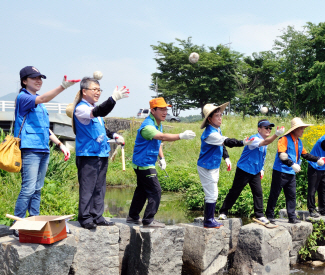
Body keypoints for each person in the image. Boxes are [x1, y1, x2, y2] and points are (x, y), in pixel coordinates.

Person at [13, 66, 77, 234]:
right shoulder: (24, 98)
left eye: (40, 77)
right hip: (30, 149)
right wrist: (63, 86)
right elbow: (43, 99)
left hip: (43, 149)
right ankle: (17, 223)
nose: (38, 80)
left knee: (37, 188)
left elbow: (45, 129)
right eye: (34, 78)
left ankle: (34, 220)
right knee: (28, 188)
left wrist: (60, 144)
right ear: (24, 81)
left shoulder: (39, 105)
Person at [127, 98, 196, 228]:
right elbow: (162, 137)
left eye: (166, 109)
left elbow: (157, 141)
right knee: (155, 190)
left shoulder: (157, 123)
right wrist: (181, 136)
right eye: (162, 109)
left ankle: (133, 216)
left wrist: (162, 158)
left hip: (144, 162)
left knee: (142, 190)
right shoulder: (147, 126)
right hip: (143, 163)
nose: (165, 112)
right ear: (153, 110)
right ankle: (148, 220)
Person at [73, 77, 129, 229]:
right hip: (88, 154)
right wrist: (113, 99)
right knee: (87, 188)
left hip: (101, 153)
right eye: (94, 89)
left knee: (100, 187)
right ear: (84, 91)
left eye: (99, 90)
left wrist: (114, 135)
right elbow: (98, 111)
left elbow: (103, 129)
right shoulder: (81, 108)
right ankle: (85, 217)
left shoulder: (93, 108)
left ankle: (97, 216)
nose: (98, 92)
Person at [218, 119, 284, 224]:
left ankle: (259, 215)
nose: (268, 130)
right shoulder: (255, 138)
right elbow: (265, 142)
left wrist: (261, 169)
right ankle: (223, 212)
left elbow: (262, 156)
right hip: (244, 169)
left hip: (255, 171)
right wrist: (276, 135)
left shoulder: (264, 140)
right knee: (235, 191)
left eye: (270, 128)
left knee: (258, 193)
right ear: (259, 129)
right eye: (266, 128)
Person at [265, 117, 323, 224]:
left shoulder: (299, 142)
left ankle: (292, 217)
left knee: (291, 195)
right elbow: (282, 155)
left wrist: (317, 159)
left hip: (291, 173)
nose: (303, 130)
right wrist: (292, 164)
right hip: (280, 171)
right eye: (301, 128)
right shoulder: (284, 139)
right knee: (275, 194)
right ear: (295, 129)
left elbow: (305, 154)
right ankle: (269, 215)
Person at [197, 102, 245, 229]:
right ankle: (208, 220)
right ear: (209, 119)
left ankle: (210, 218)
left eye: (221, 115)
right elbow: (227, 141)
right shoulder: (210, 133)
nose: (220, 118)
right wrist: (243, 142)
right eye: (217, 116)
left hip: (213, 165)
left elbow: (221, 144)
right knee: (212, 194)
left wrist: (227, 158)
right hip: (206, 166)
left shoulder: (217, 129)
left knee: (213, 193)